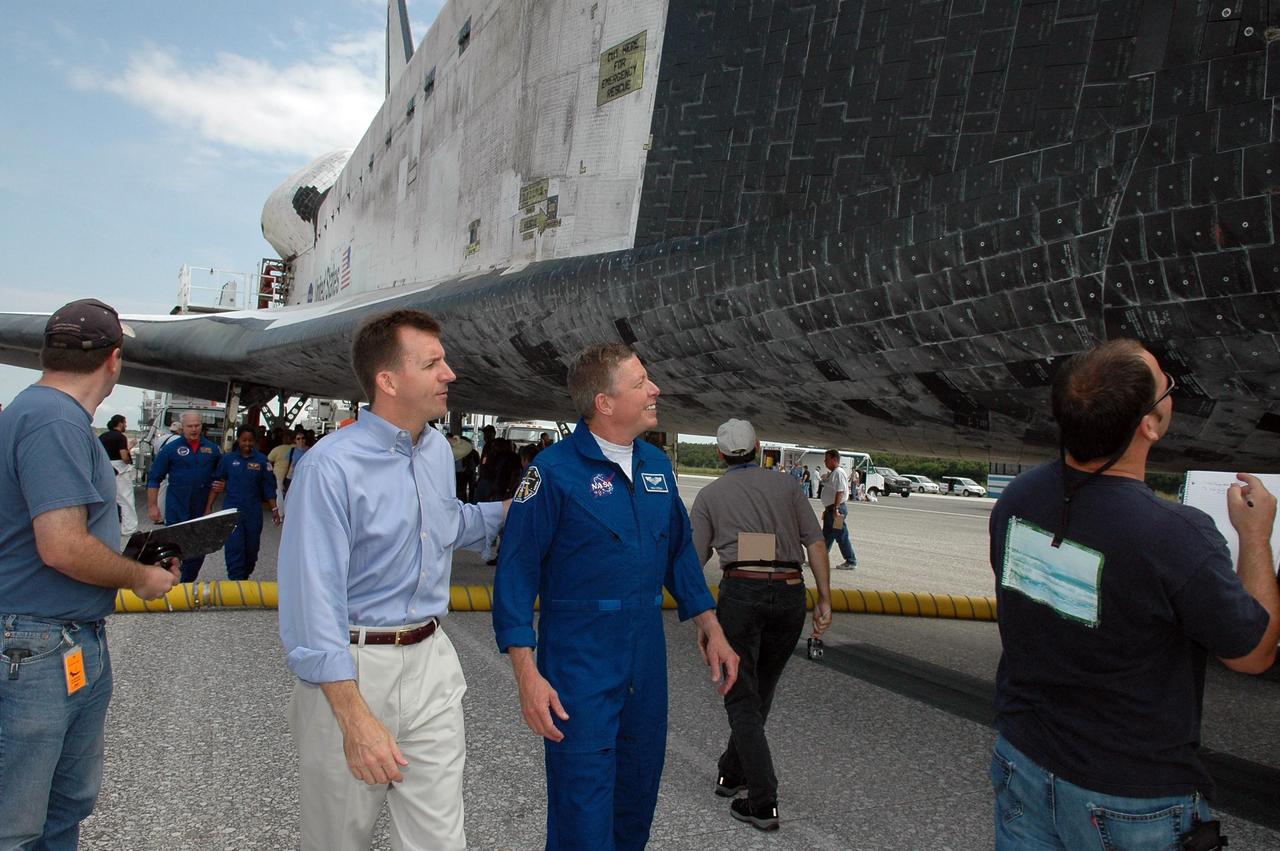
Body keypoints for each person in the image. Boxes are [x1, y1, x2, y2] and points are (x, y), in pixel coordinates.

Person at [988, 339, 1279, 850]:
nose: (1170, 384)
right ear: (1149, 425)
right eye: (1165, 381)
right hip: (1128, 797)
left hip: (1023, 761)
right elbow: (1254, 655)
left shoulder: (1018, 498)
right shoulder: (1176, 535)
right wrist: (1255, 538)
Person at [492, 342, 739, 850]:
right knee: (582, 811)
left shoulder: (656, 467)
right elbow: (515, 574)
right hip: (579, 663)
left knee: (636, 795)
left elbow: (678, 554)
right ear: (604, 403)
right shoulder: (553, 472)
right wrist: (526, 672)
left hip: (645, 658)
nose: (656, 390)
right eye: (641, 382)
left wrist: (710, 626)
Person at [278, 309, 506, 851]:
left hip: (430, 661)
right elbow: (312, 605)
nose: (449, 373)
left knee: (439, 841)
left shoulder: (432, 451)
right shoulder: (328, 467)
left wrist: (521, 508)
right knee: (338, 839)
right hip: (353, 670)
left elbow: (450, 524)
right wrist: (354, 718)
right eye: (433, 364)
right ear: (388, 381)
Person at [0, 298, 179, 849]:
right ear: (114, 360)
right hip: (38, 645)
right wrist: (139, 578)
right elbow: (60, 547)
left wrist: (132, 554)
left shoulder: (47, 415)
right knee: (20, 821)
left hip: (63, 640)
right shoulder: (53, 420)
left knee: (63, 803)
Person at [689, 419, 833, 831]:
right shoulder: (788, 486)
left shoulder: (710, 495)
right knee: (760, 690)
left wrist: (705, 619)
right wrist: (824, 598)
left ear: (719, 454)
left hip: (741, 592)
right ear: (759, 447)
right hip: (789, 592)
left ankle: (763, 798)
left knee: (739, 694)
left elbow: (693, 562)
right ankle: (731, 772)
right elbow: (816, 542)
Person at [146, 410, 221, 581]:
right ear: (182, 427)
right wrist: (152, 506)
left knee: (198, 548)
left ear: (201, 426)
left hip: (200, 508)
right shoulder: (170, 449)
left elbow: (220, 476)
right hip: (177, 507)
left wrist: (221, 488)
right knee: (177, 547)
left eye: (197, 425)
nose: (194, 429)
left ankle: (187, 582)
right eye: (190, 426)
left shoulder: (212, 450)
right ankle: (173, 582)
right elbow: (154, 478)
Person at [205, 425, 280, 580]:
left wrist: (275, 510)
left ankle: (244, 577)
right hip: (232, 510)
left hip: (253, 512)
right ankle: (235, 580)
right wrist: (208, 507)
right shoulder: (228, 459)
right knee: (234, 547)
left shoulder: (261, 461)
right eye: (244, 440)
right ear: (238, 440)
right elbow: (216, 483)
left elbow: (269, 488)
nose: (247, 444)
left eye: (250, 440)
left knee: (251, 550)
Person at [99, 413, 138, 537]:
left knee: (107, 499)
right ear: (120, 423)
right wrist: (128, 462)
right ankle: (129, 528)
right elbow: (123, 455)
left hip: (105, 467)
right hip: (119, 469)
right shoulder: (120, 437)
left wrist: (129, 447)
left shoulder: (102, 436)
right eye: (125, 422)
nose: (126, 425)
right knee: (126, 499)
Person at [820, 450, 857, 569]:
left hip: (837, 509)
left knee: (841, 535)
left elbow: (840, 491)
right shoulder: (833, 473)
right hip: (831, 509)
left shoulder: (838, 473)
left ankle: (851, 561)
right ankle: (820, 559)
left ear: (834, 459)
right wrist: (827, 509)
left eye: (827, 459)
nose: (825, 462)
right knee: (826, 536)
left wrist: (835, 509)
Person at [281, 430, 308, 495]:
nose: (301, 440)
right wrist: (282, 481)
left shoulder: (310, 450)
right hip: (291, 478)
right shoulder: (292, 451)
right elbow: (286, 466)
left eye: (303, 438)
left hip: (304, 479)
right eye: (298, 439)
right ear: (295, 440)